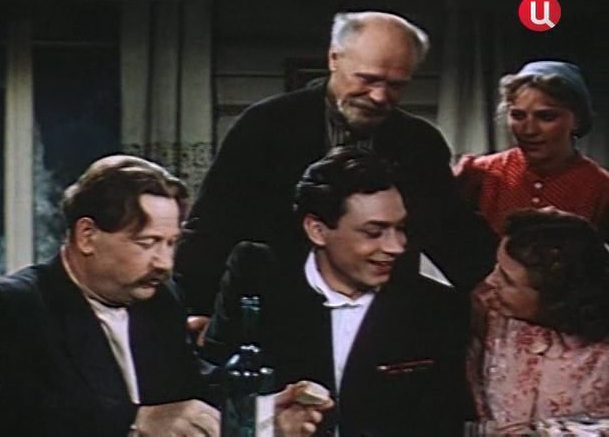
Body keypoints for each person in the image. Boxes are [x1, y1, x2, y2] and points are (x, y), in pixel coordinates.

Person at [0, 155, 330, 437]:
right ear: (87, 236)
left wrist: (260, 413)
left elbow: (190, 389)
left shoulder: (159, 301)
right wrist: (134, 419)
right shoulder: (9, 305)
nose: (164, 263)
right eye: (148, 243)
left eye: (171, 244)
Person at [178, 11, 497, 327]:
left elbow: (449, 230)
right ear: (334, 58)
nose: (379, 96)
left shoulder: (419, 142)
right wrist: (198, 307)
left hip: (379, 318)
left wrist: (497, 288)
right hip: (276, 310)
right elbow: (214, 223)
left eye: (396, 85)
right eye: (368, 79)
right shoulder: (266, 125)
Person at [202, 147, 471, 436]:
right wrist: (267, 422)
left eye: (400, 228)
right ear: (317, 230)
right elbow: (212, 389)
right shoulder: (257, 277)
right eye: (374, 232)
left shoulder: (437, 308)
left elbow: (444, 421)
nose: (396, 247)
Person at [467, 209, 609, 433]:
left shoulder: (602, 357)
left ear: (555, 298)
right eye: (496, 268)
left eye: (507, 280)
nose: (490, 281)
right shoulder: (487, 307)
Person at [455, 60, 609, 239]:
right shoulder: (479, 173)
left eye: (546, 117)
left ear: (577, 120)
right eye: (518, 115)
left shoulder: (600, 187)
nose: (529, 130)